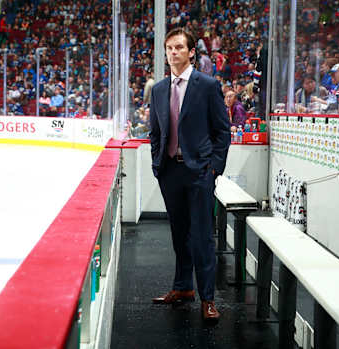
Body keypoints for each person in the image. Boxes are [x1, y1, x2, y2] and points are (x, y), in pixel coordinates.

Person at [149, 28, 230, 322]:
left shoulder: (207, 85)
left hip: (199, 173)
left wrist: (214, 168)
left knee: (202, 237)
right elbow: (155, 132)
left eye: (179, 47)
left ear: (191, 51)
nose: (173, 52)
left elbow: (222, 130)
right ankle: (183, 288)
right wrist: (157, 164)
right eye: (169, 47)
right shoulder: (159, 89)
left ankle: (208, 298)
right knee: (179, 234)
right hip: (170, 172)